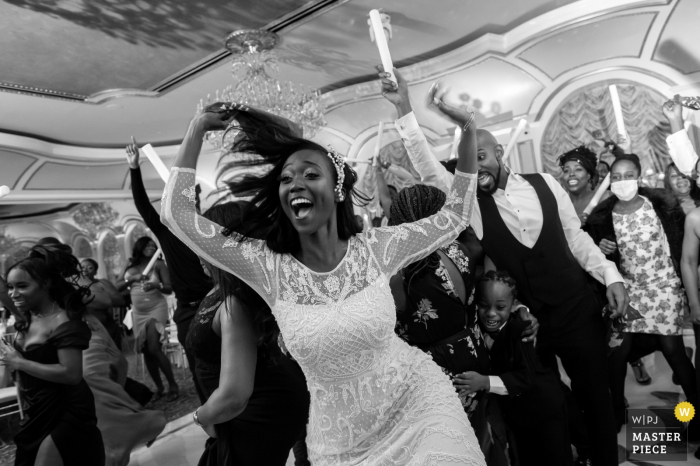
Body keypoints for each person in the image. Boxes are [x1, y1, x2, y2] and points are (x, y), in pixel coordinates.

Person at [160, 102, 485, 464]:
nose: (295, 183)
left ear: (338, 189)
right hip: (340, 442)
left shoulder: (378, 248)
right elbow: (177, 214)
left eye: (310, 174)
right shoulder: (266, 266)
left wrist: (468, 129)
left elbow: (455, 214)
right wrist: (198, 127)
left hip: (418, 404)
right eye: (286, 178)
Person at [381, 67, 628, 466]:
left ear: (500, 153)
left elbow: (576, 238)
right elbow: (427, 166)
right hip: (529, 326)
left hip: (577, 310)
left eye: (482, 157)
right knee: (546, 403)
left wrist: (610, 275)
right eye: (469, 163)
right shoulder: (470, 205)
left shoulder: (547, 183)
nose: (477, 170)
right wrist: (404, 107)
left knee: (597, 400)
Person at [388, 184, 537, 464]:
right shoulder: (458, 250)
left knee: (447, 447)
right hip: (473, 354)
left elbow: (389, 325)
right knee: (479, 436)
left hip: (436, 371)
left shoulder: (400, 272)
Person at [189, 202, 309, 465]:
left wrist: (201, 416)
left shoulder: (236, 303)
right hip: (253, 410)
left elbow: (234, 395)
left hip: (258, 414)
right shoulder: (229, 289)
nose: (198, 254)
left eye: (203, 245)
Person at [585, 153, 699, 431]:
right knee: (617, 352)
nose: (622, 181)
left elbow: (681, 248)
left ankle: (697, 416)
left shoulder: (662, 205)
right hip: (628, 290)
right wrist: (601, 247)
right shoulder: (603, 216)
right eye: (616, 177)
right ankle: (615, 410)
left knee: (673, 350)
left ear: (638, 177)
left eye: (628, 175)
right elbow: (592, 253)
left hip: (664, 286)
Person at [0, 245, 105, 466]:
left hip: (65, 409)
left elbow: (71, 374)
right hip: (36, 408)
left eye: (22, 286)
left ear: (46, 283)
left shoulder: (63, 321)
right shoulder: (29, 314)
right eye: (10, 287)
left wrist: (19, 362)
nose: (13, 293)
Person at [126, 139, 213, 403]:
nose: (190, 201)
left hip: (215, 303)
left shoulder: (209, 228)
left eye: (193, 196)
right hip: (187, 310)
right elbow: (143, 206)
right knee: (197, 366)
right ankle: (211, 420)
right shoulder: (167, 231)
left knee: (223, 361)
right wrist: (134, 168)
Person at [455, 270, 572, 466]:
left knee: (554, 458)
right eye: (484, 306)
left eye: (500, 307)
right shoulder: (478, 326)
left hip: (544, 409)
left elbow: (525, 378)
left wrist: (484, 382)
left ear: (512, 306)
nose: (491, 313)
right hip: (519, 415)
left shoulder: (520, 331)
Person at [82, 312, 166, 466]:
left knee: (111, 447)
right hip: (86, 392)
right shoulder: (87, 319)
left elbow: (119, 362)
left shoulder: (87, 320)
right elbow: (119, 362)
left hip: (90, 389)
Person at [118, 237, 178, 401]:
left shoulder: (159, 265)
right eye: (148, 245)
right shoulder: (131, 267)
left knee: (153, 347)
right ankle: (159, 387)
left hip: (156, 308)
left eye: (153, 245)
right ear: (140, 247)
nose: (151, 247)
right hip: (138, 312)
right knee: (145, 351)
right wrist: (131, 279)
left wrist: (155, 285)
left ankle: (173, 385)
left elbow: (169, 288)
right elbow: (117, 287)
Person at [79, 258, 125, 347]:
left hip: (105, 326)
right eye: (82, 267)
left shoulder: (101, 284)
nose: (85, 270)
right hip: (85, 330)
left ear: (95, 272)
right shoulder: (73, 286)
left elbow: (120, 301)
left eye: (90, 268)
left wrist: (99, 297)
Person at [558, 146, 609, 224]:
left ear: (588, 175)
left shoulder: (604, 198)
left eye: (578, 169)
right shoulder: (558, 205)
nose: (571, 174)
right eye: (566, 170)